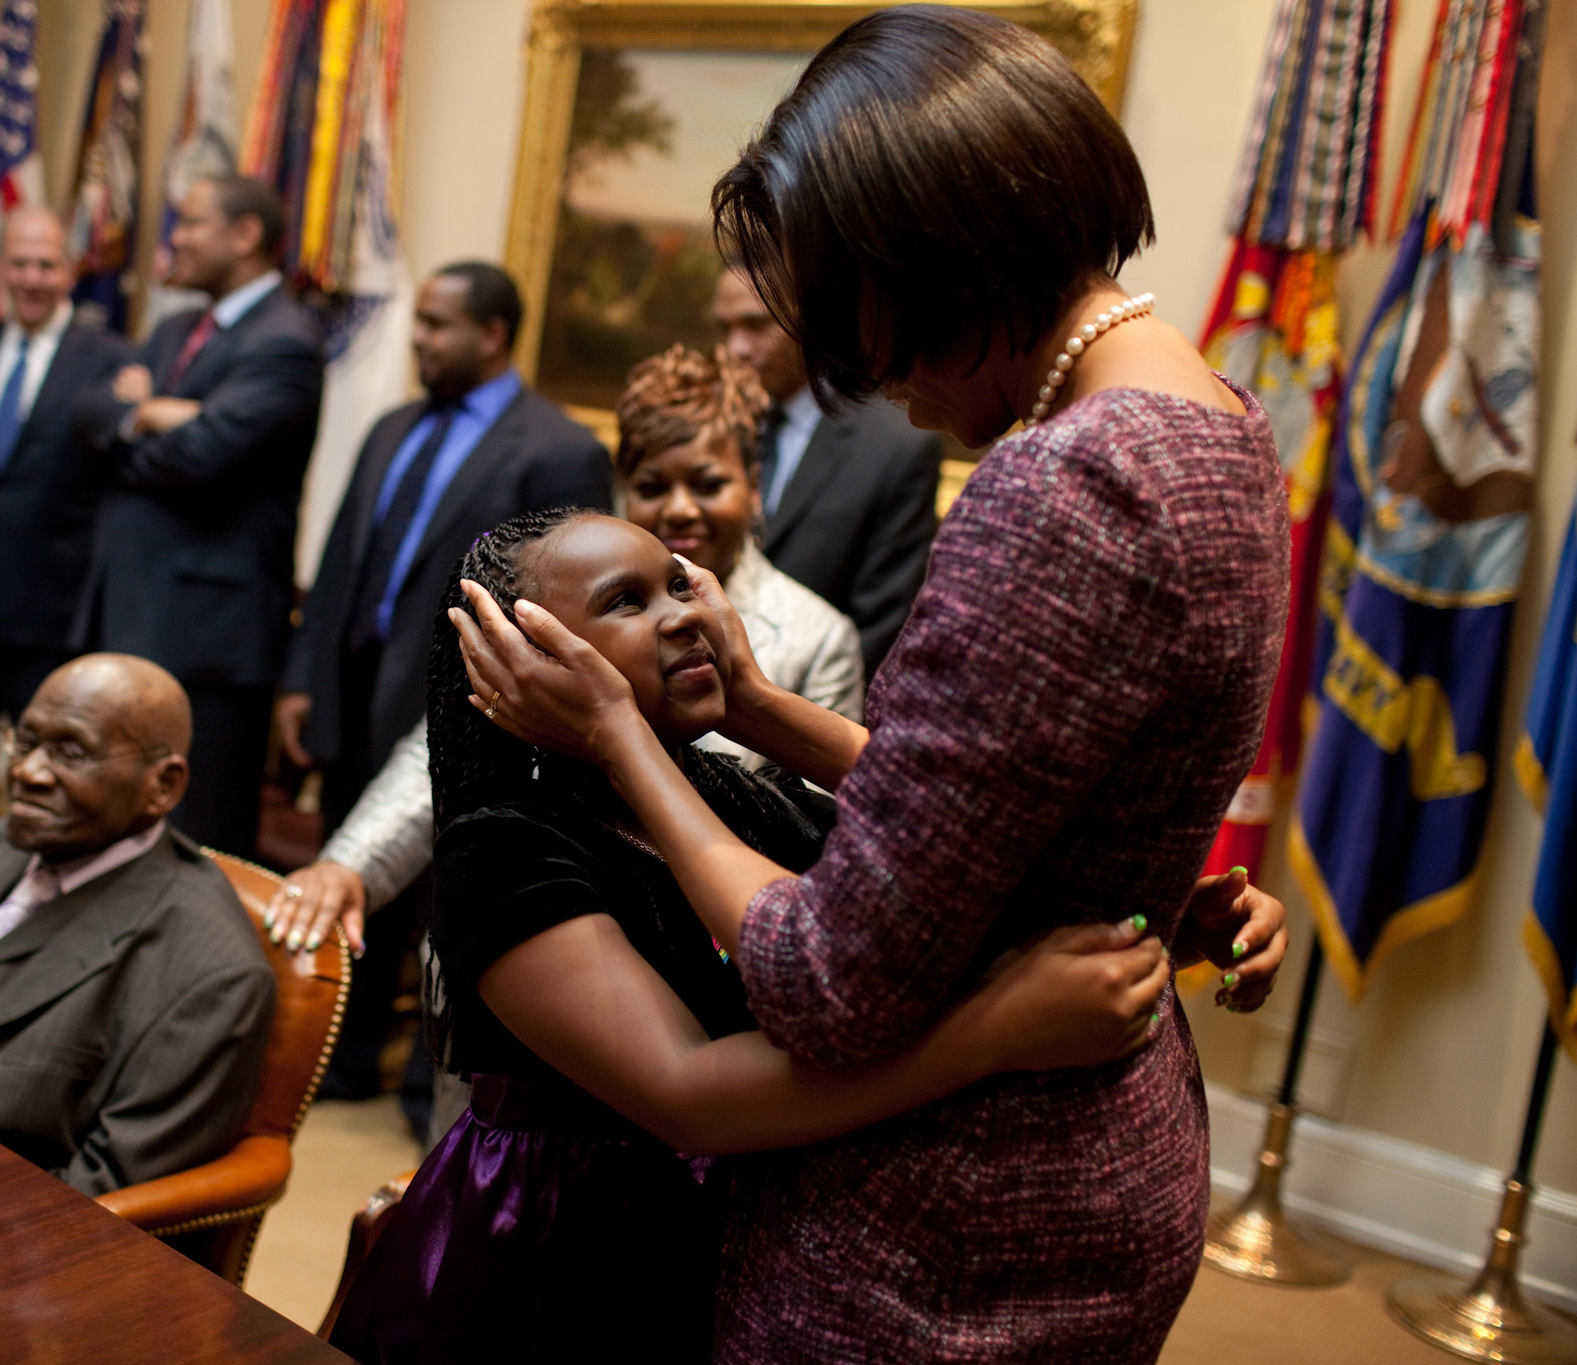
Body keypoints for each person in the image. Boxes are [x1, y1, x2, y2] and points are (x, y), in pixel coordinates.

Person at [451, 8, 1292, 1360]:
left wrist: (623, 737)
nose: (885, 390)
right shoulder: (1220, 426)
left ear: (928, 258)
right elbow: (998, 802)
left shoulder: (1066, 487)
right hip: (1109, 1147)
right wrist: (761, 711)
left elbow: (829, 978)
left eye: (865, 332)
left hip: (956, 1226)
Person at [329, 508, 1196, 1363]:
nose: (682, 612)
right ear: (528, 659)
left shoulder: (724, 793)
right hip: (559, 1250)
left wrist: (1167, 909)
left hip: (727, 1220)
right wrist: (994, 1033)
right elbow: (686, 1095)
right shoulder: (505, 845)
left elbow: (940, 853)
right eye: (625, 601)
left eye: (678, 583)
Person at [269, 344, 860, 963]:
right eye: (653, 485)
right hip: (545, 922)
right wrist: (348, 866)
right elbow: (450, 741)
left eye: (708, 484)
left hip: (731, 939)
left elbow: (823, 827)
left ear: (753, 483)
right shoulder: (564, 597)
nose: (681, 508)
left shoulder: (814, 633)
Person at [275, 261, 610, 1099]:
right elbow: (343, 556)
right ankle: (341, 1061)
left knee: (449, 894)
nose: (420, 339)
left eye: (437, 323)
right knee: (361, 861)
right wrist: (305, 676)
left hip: (471, 703)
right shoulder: (392, 427)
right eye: (420, 321)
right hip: (359, 686)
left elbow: (561, 603)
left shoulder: (559, 447)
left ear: (492, 333)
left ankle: (434, 1081)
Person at [0, 653, 275, 1198]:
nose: (27, 771)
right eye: (24, 740)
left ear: (162, 786)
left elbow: (106, 1191)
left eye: (71, 752)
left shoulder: (211, 973)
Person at [72, 176, 325, 857]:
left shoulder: (286, 341)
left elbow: (201, 456)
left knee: (190, 841)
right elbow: (92, 414)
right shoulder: (176, 327)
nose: (174, 238)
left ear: (244, 236)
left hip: (209, 641)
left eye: (189, 223)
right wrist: (147, 418)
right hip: (132, 610)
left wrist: (153, 418)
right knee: (112, 823)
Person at [0, 206, 132, 839]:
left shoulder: (111, 362)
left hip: (52, 614)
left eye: (46, 264)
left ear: (71, 270)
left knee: (52, 783)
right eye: (19, 263)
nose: (32, 277)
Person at [711, 263, 940, 669]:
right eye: (724, 329)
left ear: (810, 319)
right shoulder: (709, 420)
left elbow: (882, 626)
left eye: (755, 324)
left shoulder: (894, 447)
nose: (736, 348)